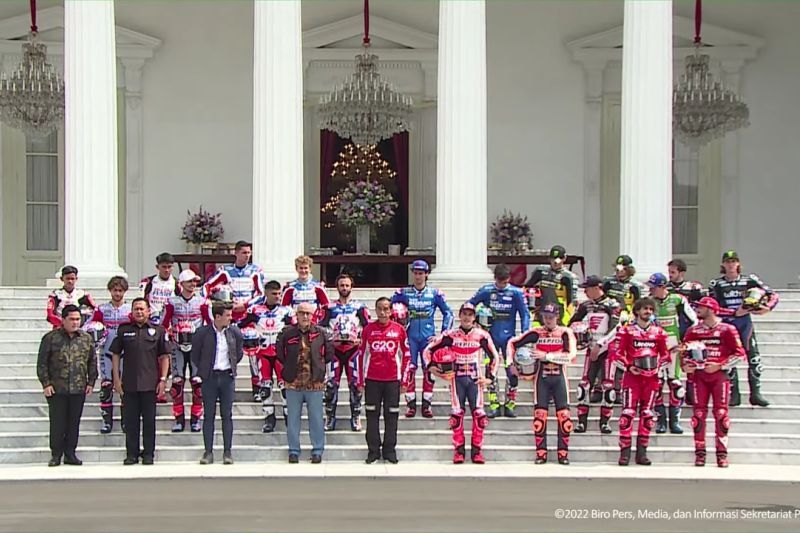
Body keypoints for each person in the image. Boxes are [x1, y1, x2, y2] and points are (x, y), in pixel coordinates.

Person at [424, 303, 497, 464]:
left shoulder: (482, 335)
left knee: (479, 415)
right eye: (464, 314)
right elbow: (428, 350)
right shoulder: (451, 335)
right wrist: (432, 368)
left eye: (470, 314)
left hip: (475, 380)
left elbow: (495, 357)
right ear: (459, 315)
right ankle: (459, 451)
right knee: (456, 415)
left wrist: (490, 377)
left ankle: (477, 451)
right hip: (456, 380)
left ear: (474, 317)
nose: (467, 317)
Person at [708, 250, 779, 407]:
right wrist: (734, 312)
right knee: (729, 359)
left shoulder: (749, 280)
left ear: (738, 263)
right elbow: (712, 307)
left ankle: (756, 393)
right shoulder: (717, 284)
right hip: (727, 325)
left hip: (745, 323)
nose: (731, 264)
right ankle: (734, 394)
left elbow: (772, 294)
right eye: (728, 262)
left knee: (753, 358)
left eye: (734, 261)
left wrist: (766, 308)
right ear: (723, 264)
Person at [680, 297, 746, 468]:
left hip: (719, 377)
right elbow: (684, 353)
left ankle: (722, 454)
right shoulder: (693, 330)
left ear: (711, 309)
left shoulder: (727, 329)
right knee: (699, 415)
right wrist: (686, 366)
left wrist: (720, 365)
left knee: (721, 414)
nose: (697, 310)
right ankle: (700, 454)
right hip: (699, 377)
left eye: (701, 307)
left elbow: (740, 354)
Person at [509, 303, 577, 465]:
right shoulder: (536, 332)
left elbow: (571, 356)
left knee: (564, 418)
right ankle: (541, 453)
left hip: (560, 378)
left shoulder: (565, 332)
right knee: (540, 417)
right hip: (541, 378)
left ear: (557, 316)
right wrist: (511, 363)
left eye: (551, 316)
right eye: (545, 316)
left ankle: (563, 453)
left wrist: (546, 356)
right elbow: (512, 343)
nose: (548, 319)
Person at [110, 298, 171, 465]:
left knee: (149, 422)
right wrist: (116, 377)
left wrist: (163, 380)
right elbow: (115, 353)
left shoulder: (158, 331)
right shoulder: (124, 330)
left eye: (142, 309)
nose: (139, 312)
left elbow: (165, 356)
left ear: (148, 311)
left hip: (150, 384)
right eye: (136, 309)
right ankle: (132, 454)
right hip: (129, 384)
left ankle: (148, 454)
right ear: (132, 311)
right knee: (131, 422)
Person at [391, 259, 453, 418]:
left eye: (421, 273)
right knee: (409, 369)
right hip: (409, 337)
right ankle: (410, 404)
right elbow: (388, 308)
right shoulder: (403, 293)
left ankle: (427, 404)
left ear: (427, 274)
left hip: (428, 338)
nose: (418, 276)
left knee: (429, 370)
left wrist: (443, 334)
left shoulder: (434, 293)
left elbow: (449, 313)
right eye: (415, 273)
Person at [612, 298, 670, 466]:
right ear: (636, 311)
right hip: (632, 378)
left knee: (647, 415)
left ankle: (642, 453)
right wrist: (629, 367)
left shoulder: (659, 332)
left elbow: (665, 354)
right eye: (645, 309)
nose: (648, 312)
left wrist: (657, 367)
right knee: (628, 414)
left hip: (651, 379)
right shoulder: (626, 331)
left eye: (651, 309)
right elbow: (617, 353)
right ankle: (624, 453)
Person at [37, 305, 97, 467]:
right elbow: (42, 363)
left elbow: (92, 362)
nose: (75, 322)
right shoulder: (51, 338)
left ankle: (70, 453)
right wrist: (46, 383)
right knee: (57, 422)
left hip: (78, 387)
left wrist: (91, 381)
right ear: (63, 320)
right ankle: (56, 454)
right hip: (57, 388)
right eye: (71, 319)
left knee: (73, 422)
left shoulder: (86, 339)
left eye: (78, 319)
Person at [468, 264, 529, 418]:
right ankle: (494, 404)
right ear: (495, 278)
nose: (502, 285)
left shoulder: (516, 292)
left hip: (509, 339)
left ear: (509, 279)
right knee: (490, 371)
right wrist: (474, 321)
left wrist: (524, 336)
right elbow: (469, 305)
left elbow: (525, 314)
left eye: (505, 281)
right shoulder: (487, 290)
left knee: (512, 372)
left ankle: (510, 404)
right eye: (500, 281)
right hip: (491, 337)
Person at [276, 302, 333, 463]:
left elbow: (328, 355)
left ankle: (317, 450)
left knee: (316, 418)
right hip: (293, 383)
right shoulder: (287, 333)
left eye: (308, 313)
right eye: (302, 313)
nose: (305, 316)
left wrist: (322, 373)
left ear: (313, 315)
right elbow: (280, 354)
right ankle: (293, 450)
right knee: (292, 418)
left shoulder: (321, 333)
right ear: (297, 314)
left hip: (314, 384)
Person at [358, 297, 411, 464]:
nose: (383, 312)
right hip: (372, 380)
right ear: (375, 310)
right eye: (379, 309)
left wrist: (405, 382)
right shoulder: (368, 330)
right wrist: (360, 381)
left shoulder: (399, 330)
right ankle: (373, 451)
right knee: (372, 415)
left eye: (386, 309)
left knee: (392, 416)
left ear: (390, 311)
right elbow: (361, 356)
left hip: (392, 381)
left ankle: (389, 450)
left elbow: (407, 357)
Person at [191, 302, 244, 465]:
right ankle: (208, 452)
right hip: (210, 378)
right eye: (227, 315)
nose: (230, 318)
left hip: (227, 377)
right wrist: (204, 370)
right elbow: (195, 355)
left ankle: (227, 452)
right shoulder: (202, 333)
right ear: (217, 316)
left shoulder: (234, 332)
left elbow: (239, 353)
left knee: (227, 415)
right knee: (209, 415)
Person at [239, 280, 296, 432]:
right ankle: (269, 417)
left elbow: (296, 329)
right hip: (262, 353)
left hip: (280, 354)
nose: (277, 296)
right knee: (265, 386)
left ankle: (288, 415)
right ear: (266, 293)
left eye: (279, 293)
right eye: (274, 293)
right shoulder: (255, 310)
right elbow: (240, 324)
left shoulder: (286, 311)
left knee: (285, 386)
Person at [161, 270, 212, 432]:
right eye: (189, 282)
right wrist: (168, 335)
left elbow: (209, 323)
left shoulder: (202, 302)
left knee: (198, 383)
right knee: (177, 383)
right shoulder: (171, 302)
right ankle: (179, 419)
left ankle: (196, 418)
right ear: (181, 284)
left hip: (197, 347)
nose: (192, 285)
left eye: (195, 282)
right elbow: (164, 323)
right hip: (177, 345)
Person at [568, 275, 621, 434]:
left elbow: (615, 328)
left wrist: (600, 344)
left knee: (608, 386)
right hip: (591, 348)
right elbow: (571, 322)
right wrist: (577, 333)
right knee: (584, 385)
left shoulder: (613, 304)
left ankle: (605, 423)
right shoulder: (586, 305)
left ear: (597, 287)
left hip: (608, 350)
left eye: (587, 288)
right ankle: (581, 422)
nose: (585, 291)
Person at [318, 273, 371, 432]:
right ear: (337, 287)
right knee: (331, 385)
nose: (344, 288)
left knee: (355, 385)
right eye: (342, 285)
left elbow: (368, 326)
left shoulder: (359, 307)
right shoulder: (329, 307)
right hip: (334, 350)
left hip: (353, 350)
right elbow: (320, 326)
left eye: (347, 285)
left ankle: (356, 416)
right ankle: (330, 417)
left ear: (351, 287)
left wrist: (361, 340)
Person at [647, 273, 698, 434]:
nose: (651, 290)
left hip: (675, 343)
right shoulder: (649, 302)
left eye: (653, 287)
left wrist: (684, 343)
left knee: (675, 383)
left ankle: (675, 421)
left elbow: (693, 321)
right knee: (657, 384)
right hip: (655, 345)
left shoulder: (678, 299)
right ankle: (661, 420)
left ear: (662, 286)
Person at [87, 276, 132, 434]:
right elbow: (88, 325)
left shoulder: (129, 310)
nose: (117, 293)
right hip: (107, 351)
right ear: (110, 291)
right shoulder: (102, 309)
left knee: (125, 387)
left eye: (120, 290)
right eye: (115, 290)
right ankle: (107, 421)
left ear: (124, 292)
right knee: (106, 385)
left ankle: (126, 421)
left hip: (126, 353)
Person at [603, 255, 646, 403]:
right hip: (609, 325)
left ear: (628, 269)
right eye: (616, 268)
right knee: (608, 356)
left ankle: (619, 388)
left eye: (621, 268)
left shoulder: (635, 286)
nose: (618, 271)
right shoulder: (608, 282)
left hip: (628, 326)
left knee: (623, 357)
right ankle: (603, 386)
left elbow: (640, 306)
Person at [203, 240, 265, 322]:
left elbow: (262, 294)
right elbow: (207, 286)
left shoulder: (256, 271)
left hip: (248, 313)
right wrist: (208, 301)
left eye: (249, 253)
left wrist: (245, 305)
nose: (247, 256)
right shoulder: (225, 270)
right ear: (236, 253)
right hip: (229, 313)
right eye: (244, 253)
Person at [524, 245, 579, 325]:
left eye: (558, 259)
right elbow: (527, 289)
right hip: (540, 315)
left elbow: (572, 302)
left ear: (564, 258)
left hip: (559, 317)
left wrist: (565, 321)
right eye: (553, 259)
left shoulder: (569, 277)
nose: (555, 262)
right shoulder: (540, 271)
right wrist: (531, 310)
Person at [281, 255, 330, 320]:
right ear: (296, 269)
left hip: (313, 324)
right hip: (296, 324)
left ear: (310, 269)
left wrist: (318, 318)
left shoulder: (318, 287)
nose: (303, 271)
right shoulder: (290, 288)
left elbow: (327, 307)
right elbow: (283, 308)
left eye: (305, 268)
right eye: (301, 268)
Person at [139, 253, 178, 326]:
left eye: (169, 267)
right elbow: (140, 300)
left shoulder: (177, 283)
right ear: (157, 267)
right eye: (164, 267)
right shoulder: (148, 281)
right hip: (151, 321)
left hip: (170, 323)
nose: (167, 270)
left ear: (173, 267)